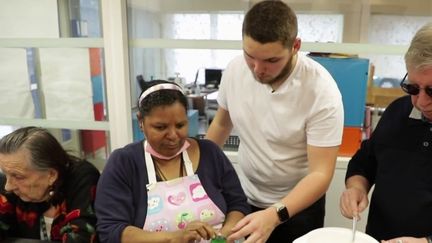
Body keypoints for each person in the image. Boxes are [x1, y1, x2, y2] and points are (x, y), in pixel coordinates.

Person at [205, 1, 344, 243]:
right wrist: (196, 172)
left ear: (295, 46)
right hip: (245, 196)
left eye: (271, 60)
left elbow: (321, 174)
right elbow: (221, 124)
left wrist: (275, 214)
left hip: (297, 207)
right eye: (250, 56)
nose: (258, 69)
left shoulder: (321, 91)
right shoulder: (235, 69)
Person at [95, 80, 250, 243]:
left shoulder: (210, 153)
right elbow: (111, 231)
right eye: (160, 127)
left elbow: (238, 205)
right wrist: (174, 237)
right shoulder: (124, 163)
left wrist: (223, 237)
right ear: (141, 121)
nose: (173, 135)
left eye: (180, 125)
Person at [339, 22, 432, 243]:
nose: (421, 102)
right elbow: (365, 162)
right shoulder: (397, 111)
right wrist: (356, 188)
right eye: (412, 87)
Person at [0, 126, 100, 242]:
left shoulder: (81, 179)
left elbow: (82, 237)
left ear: (51, 175)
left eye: (18, 176)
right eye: (5, 173)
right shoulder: (11, 182)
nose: (8, 186)